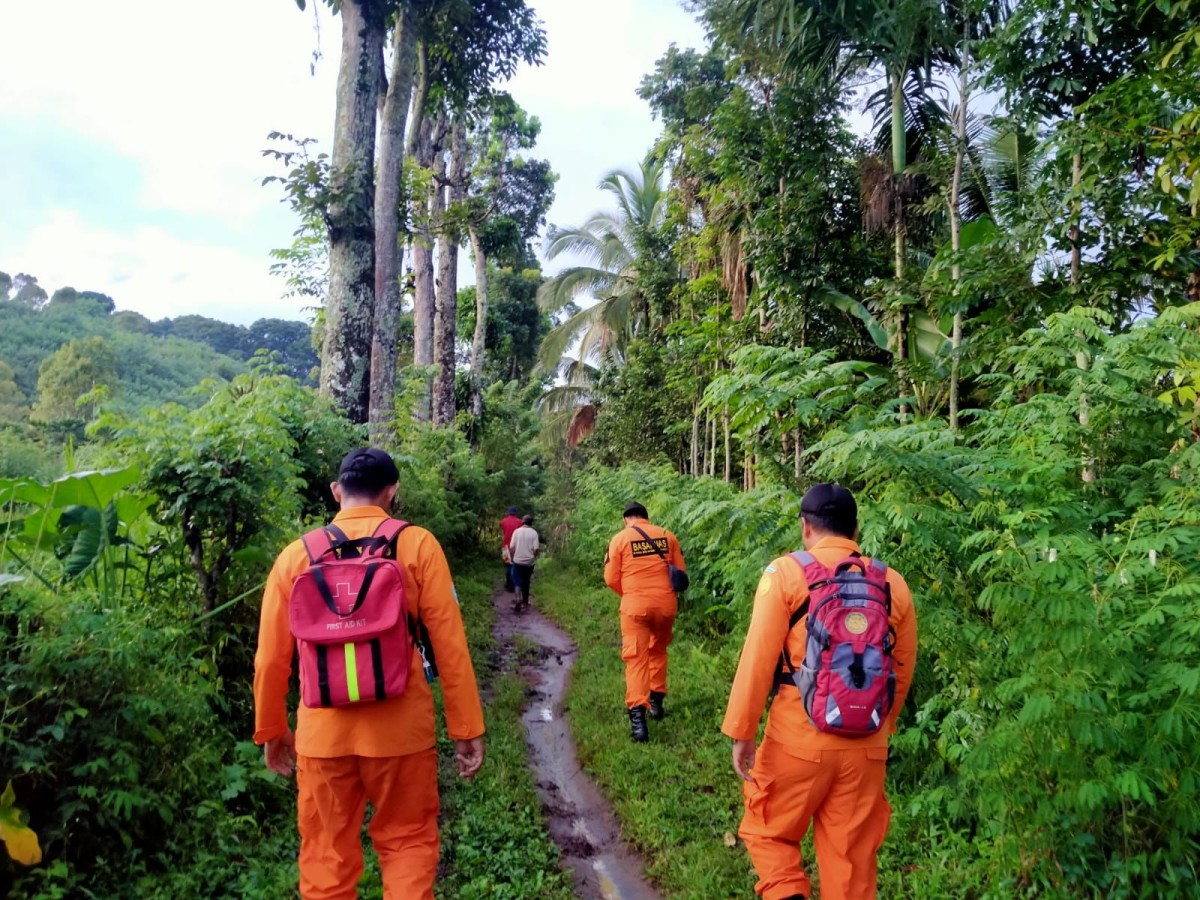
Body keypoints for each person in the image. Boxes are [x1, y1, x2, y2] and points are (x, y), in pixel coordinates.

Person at [253, 448, 486, 900]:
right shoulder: (418, 545)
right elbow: (450, 647)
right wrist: (466, 727)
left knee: (325, 855)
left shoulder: (295, 556)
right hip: (401, 734)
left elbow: (270, 659)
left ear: (337, 491)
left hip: (322, 737)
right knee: (408, 842)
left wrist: (272, 730)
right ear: (392, 491)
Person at [722, 483, 917, 900]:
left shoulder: (786, 574)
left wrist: (742, 731)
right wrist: (881, 727)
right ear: (856, 528)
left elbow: (758, 658)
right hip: (867, 746)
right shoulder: (892, 583)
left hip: (797, 741)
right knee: (851, 863)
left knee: (769, 833)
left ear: (805, 528)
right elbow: (901, 666)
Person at [603, 501, 687, 743]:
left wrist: (628, 594)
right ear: (646, 518)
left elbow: (610, 578)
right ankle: (656, 702)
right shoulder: (667, 535)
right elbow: (680, 573)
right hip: (666, 606)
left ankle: (639, 724)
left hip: (635, 608)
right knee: (658, 650)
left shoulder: (619, 539)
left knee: (636, 659)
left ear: (626, 519)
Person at [507, 513, 540, 612]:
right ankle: (525, 602)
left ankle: (518, 599)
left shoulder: (516, 532)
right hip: (529, 562)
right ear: (531, 523)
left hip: (518, 561)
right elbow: (536, 549)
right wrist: (533, 557)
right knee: (526, 581)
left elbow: (512, 547)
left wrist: (513, 556)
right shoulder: (534, 533)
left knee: (517, 581)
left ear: (523, 522)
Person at [500, 506, 523, 592]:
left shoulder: (503, 521)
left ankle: (508, 584)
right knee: (515, 565)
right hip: (516, 547)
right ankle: (514, 584)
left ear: (508, 512)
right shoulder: (519, 522)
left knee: (508, 566)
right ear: (515, 513)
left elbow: (503, 529)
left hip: (505, 547)